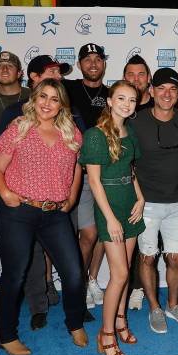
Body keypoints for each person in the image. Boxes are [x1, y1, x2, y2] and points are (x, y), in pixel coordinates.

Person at [0, 79, 86, 355]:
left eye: (54, 99)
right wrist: (6, 193)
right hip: (18, 211)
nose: (47, 103)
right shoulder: (19, 126)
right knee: (14, 274)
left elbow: (77, 167)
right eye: (42, 96)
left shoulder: (71, 133)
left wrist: (71, 195)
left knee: (74, 273)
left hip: (54, 213)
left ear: (61, 104)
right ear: (34, 98)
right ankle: (6, 335)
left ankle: (75, 322)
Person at [80, 80, 146, 355]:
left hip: (130, 205)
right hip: (110, 210)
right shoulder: (95, 135)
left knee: (126, 270)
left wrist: (141, 199)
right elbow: (94, 182)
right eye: (121, 98)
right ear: (109, 100)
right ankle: (105, 334)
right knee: (119, 275)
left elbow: (130, 171)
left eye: (132, 100)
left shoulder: (129, 133)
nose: (126, 104)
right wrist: (109, 219)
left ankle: (120, 321)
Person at [130, 68, 178, 334]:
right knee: (147, 259)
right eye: (161, 89)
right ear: (152, 92)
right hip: (147, 205)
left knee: (177, 259)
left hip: (174, 203)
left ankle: (172, 304)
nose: (167, 94)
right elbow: (128, 163)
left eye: (173, 89)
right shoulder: (136, 122)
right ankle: (155, 308)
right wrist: (138, 197)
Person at [63, 43, 109, 313]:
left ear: (104, 63)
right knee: (84, 235)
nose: (93, 63)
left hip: (104, 173)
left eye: (98, 59)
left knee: (99, 233)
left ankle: (91, 280)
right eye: (87, 59)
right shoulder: (66, 89)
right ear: (80, 64)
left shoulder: (113, 93)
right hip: (72, 173)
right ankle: (76, 285)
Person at [122, 54, 152, 310]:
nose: (135, 79)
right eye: (130, 75)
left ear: (148, 78)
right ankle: (133, 287)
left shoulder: (163, 105)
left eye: (140, 74)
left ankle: (144, 286)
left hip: (157, 185)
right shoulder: (120, 110)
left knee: (154, 244)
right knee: (130, 238)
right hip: (128, 184)